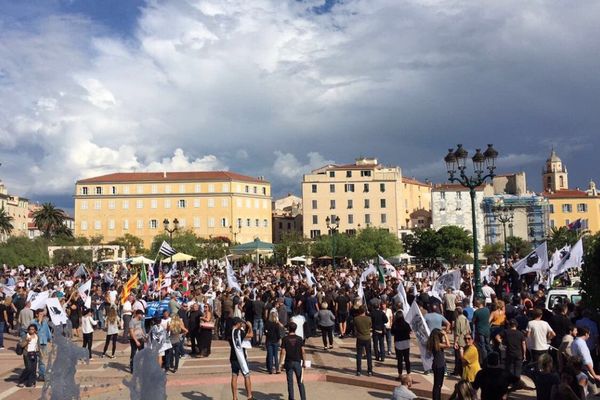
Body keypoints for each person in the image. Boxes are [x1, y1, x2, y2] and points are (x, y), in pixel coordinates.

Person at [279, 321, 306, 400]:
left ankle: (291, 398)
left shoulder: (285, 339)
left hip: (288, 362)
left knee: (290, 382)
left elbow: (283, 352)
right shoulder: (299, 338)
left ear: (288, 329)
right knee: (300, 381)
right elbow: (303, 351)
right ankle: (303, 398)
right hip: (297, 361)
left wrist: (281, 363)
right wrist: (304, 362)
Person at [229, 317, 253, 400]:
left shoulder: (230, 332)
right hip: (241, 356)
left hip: (233, 356)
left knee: (234, 375)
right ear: (238, 323)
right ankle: (249, 396)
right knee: (246, 375)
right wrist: (250, 327)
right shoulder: (239, 332)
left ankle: (234, 397)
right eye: (240, 323)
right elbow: (250, 336)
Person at [427, 328, 451, 400]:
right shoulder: (437, 344)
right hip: (439, 365)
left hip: (437, 364)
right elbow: (448, 345)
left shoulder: (434, 343)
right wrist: (445, 335)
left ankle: (437, 398)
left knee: (437, 385)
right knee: (438, 385)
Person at [391, 310, 411, 379]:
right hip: (406, 343)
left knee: (399, 360)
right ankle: (408, 374)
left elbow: (392, 332)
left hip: (398, 343)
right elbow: (409, 331)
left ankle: (400, 375)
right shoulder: (406, 324)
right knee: (407, 359)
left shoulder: (395, 324)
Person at [32, 308, 52, 382]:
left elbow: (48, 331)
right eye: (40, 314)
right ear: (36, 314)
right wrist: (39, 323)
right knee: (34, 360)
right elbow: (34, 331)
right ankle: (32, 375)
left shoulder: (45, 322)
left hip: (43, 343)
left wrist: (50, 339)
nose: (42, 316)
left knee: (42, 360)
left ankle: (42, 375)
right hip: (36, 344)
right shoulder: (33, 322)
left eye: (43, 315)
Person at [354, 305, 373, 376]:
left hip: (360, 337)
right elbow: (370, 326)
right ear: (365, 311)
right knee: (369, 355)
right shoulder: (369, 318)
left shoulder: (356, 319)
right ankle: (369, 371)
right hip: (367, 337)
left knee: (359, 355)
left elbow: (355, 327)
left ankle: (358, 371)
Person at [472, 299, 491, 366]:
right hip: (487, 330)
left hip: (480, 330)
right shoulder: (487, 310)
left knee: (482, 346)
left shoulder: (476, 312)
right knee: (488, 345)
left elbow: (473, 322)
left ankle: (484, 362)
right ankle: (491, 358)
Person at [453, 306, 470, 376]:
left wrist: (455, 342)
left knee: (458, 357)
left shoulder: (458, 319)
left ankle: (457, 371)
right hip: (466, 339)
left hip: (460, 339)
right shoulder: (466, 318)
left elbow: (457, 332)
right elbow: (469, 330)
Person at [264, 310, 283, 374]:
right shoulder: (276, 324)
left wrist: (268, 333)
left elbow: (265, 332)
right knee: (275, 355)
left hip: (269, 340)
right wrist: (279, 339)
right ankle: (277, 369)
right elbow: (278, 333)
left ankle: (270, 369)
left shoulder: (267, 323)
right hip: (275, 341)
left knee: (270, 355)